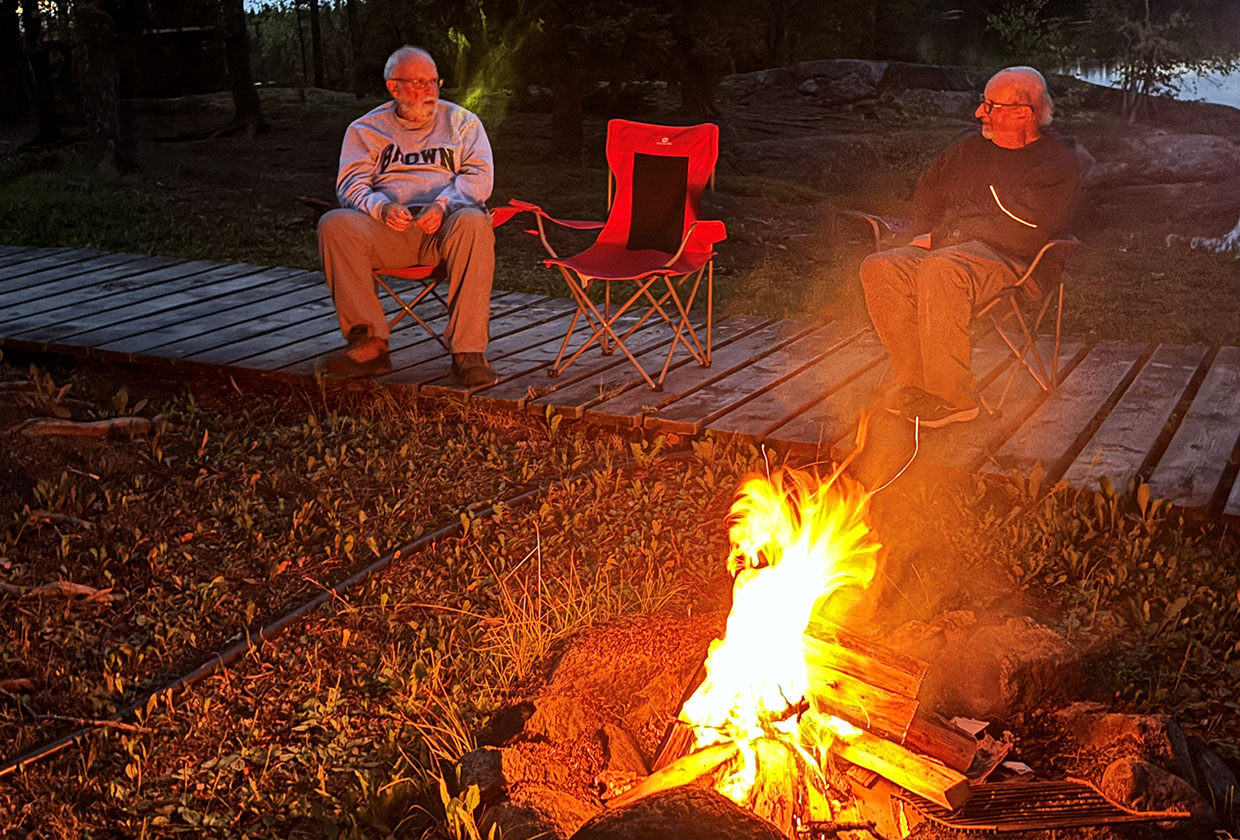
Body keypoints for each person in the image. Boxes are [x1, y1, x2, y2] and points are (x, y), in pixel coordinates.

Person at [860, 66, 1080, 428]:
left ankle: (954, 399)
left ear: (1022, 113)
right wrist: (928, 232)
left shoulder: (1056, 162)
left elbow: (1025, 230)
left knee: (941, 269)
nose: (980, 112)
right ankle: (915, 385)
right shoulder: (968, 151)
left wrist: (948, 236)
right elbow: (929, 193)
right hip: (951, 250)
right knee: (880, 267)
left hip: (1016, 261)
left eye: (989, 105)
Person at [317, 46, 497, 385]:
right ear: (393, 87)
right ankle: (369, 344)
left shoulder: (463, 123)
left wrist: (443, 204)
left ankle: (469, 353)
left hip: (447, 230)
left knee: (475, 221)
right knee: (334, 224)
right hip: (386, 231)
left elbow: (479, 178)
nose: (428, 90)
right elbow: (350, 185)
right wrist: (380, 208)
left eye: (433, 81)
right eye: (418, 82)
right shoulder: (365, 130)